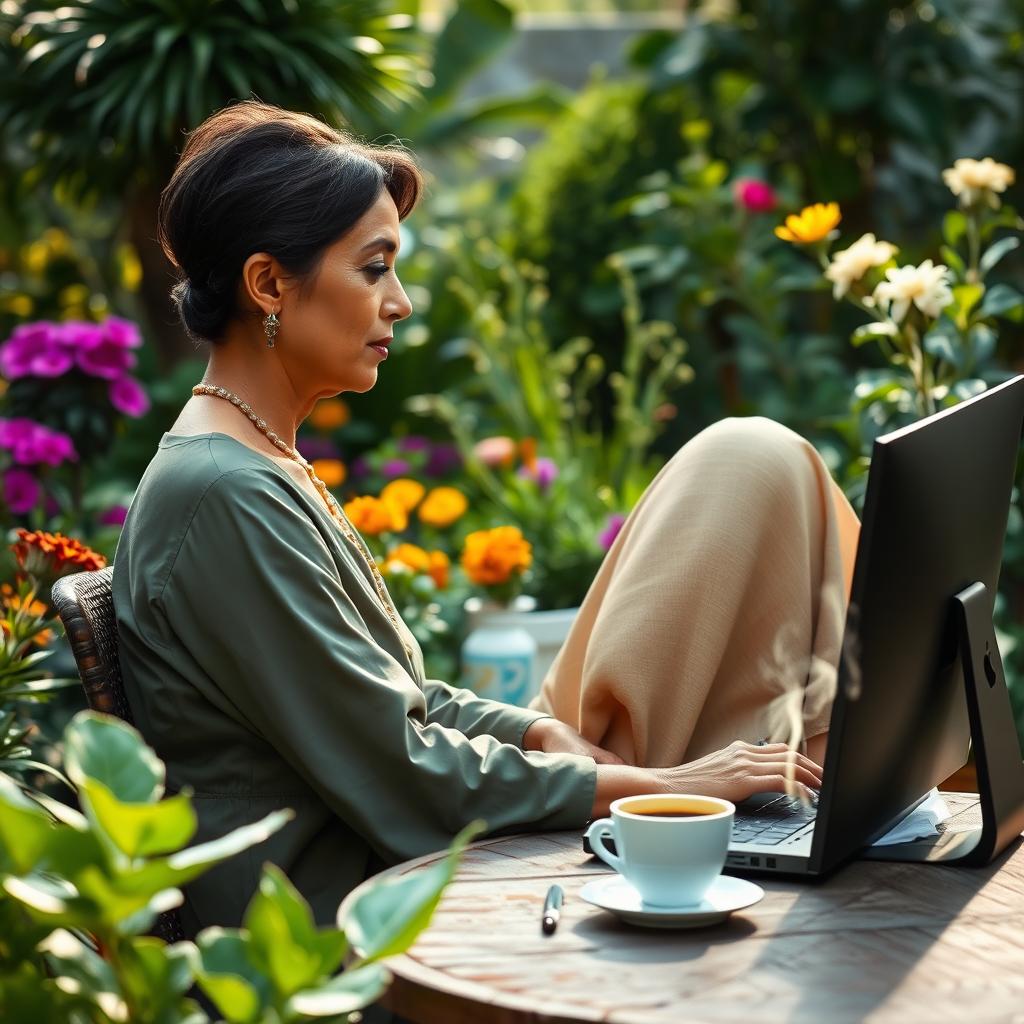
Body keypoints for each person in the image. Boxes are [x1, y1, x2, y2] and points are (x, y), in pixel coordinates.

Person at [113, 101, 844, 939]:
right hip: (347, 932)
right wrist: (666, 782)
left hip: (400, 877)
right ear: (270, 283)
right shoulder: (220, 493)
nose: (402, 302)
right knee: (747, 473)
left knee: (751, 478)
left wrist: (537, 729)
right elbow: (401, 768)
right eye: (375, 268)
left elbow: (397, 705)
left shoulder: (257, 461)